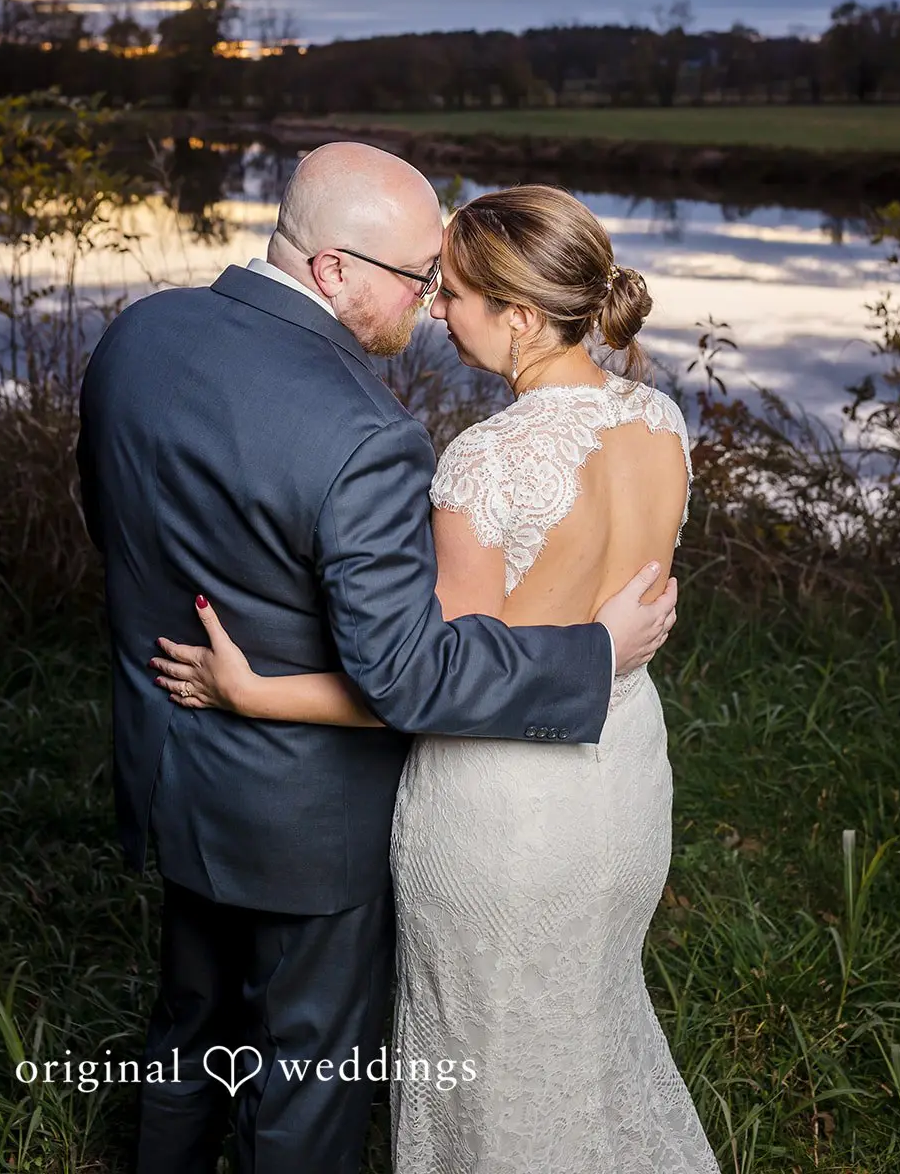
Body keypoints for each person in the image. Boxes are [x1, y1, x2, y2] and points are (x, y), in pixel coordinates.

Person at [77, 145, 678, 1174]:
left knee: (191, 1022)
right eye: (416, 278)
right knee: (309, 1080)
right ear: (333, 270)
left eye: (449, 285)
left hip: (174, 759)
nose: (429, 306)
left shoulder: (139, 336)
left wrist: (226, 675)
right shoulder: (371, 432)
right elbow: (410, 672)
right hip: (313, 816)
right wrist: (592, 658)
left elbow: (113, 514)